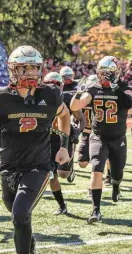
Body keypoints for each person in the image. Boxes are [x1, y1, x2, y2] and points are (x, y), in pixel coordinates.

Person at [0, 46, 70, 254]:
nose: (31, 72)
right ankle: (30, 242)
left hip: (39, 166)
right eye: (24, 67)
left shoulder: (50, 95)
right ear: (13, 71)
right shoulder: (0, 97)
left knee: (19, 214)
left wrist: (65, 145)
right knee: (17, 216)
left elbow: (65, 115)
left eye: (35, 67)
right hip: (8, 168)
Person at [70, 55, 132, 223]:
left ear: (115, 73)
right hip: (98, 136)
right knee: (96, 169)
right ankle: (96, 210)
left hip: (118, 137)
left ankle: (116, 186)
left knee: (117, 174)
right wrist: (78, 93)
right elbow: (75, 107)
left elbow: (129, 104)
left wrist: (115, 88)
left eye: (107, 73)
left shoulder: (124, 87)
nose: (103, 77)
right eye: (102, 73)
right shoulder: (94, 88)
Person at [43, 71, 85, 215]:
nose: (52, 87)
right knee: (51, 175)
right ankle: (62, 205)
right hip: (46, 141)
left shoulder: (67, 98)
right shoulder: (38, 99)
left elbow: (82, 119)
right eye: (49, 84)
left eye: (55, 84)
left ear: (61, 86)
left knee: (63, 174)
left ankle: (70, 165)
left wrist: (77, 133)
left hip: (63, 139)